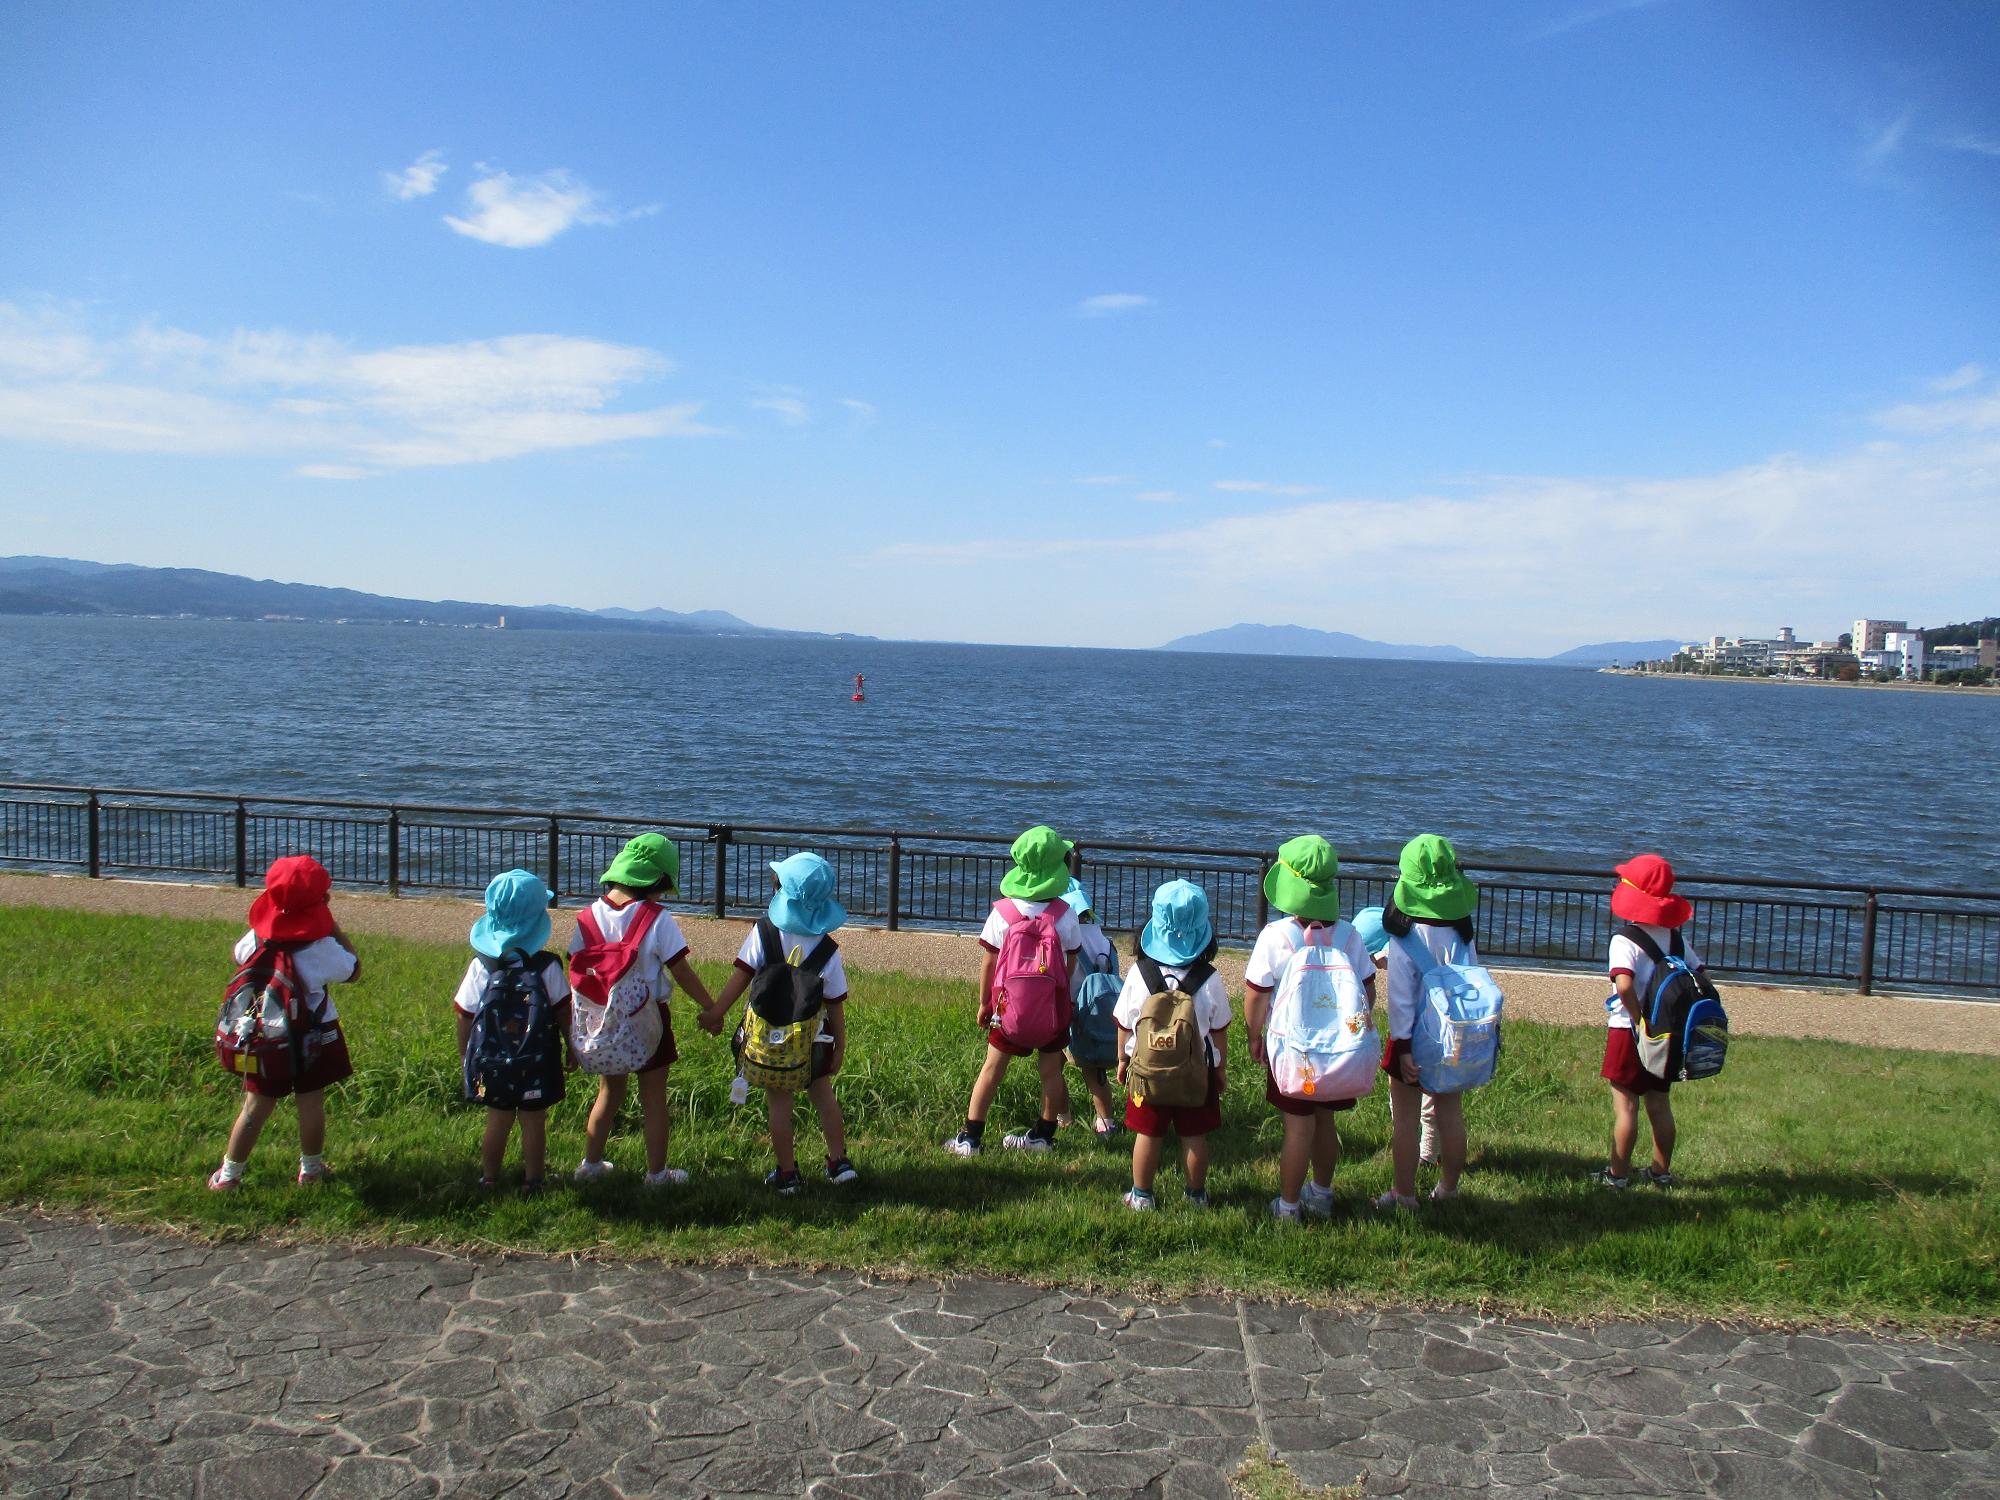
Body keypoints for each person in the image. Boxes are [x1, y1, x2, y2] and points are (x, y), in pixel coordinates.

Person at [699, 852, 859, 1193]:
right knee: (823, 1095)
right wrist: (840, 1046)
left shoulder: (764, 932)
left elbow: (740, 977)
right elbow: (836, 1004)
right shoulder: (827, 949)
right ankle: (838, 1162)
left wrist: (715, 1014)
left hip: (771, 1039)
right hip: (814, 1039)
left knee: (779, 1105)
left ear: (780, 891)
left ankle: (787, 1174)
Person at [569, 834, 717, 1187]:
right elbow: (680, 970)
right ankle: (656, 1174)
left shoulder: (587, 918)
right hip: (648, 1020)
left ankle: (590, 1164)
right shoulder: (657, 919)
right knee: (653, 1100)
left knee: (609, 1092)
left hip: (602, 1019)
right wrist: (710, 1007)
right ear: (658, 880)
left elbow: (576, 965)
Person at [1243, 834, 1376, 1221]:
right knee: (1325, 1121)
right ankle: (1321, 1193)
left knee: (1297, 1127)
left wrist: (1254, 1036)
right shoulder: (1350, 935)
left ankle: (1287, 1206)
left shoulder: (1276, 936)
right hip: (1340, 1053)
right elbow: (1367, 990)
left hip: (1292, 1052)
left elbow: (1256, 994)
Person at [209, 855, 360, 1190]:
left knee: (255, 1106)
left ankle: (229, 1175)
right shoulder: (320, 947)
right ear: (322, 903)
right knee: (311, 1101)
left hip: (267, 1034)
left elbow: (239, 955)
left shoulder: (256, 940)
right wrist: (334, 929)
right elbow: (353, 969)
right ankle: (311, 1170)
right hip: (315, 1036)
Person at [946, 825, 1083, 1156]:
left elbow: (989, 963)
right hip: (1051, 1010)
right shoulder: (1064, 915)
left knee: (992, 1069)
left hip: (1007, 1009)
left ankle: (971, 1137)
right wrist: (1056, 995)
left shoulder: (1003, 912)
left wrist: (984, 1004)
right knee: (1050, 1072)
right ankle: (1043, 1137)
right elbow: (1071, 961)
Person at [1375, 835, 1480, 1209]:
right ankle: (1448, 1189)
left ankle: (1404, 1194)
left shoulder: (1405, 937)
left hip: (1415, 1039)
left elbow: (1401, 999)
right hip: (1454, 1035)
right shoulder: (1461, 931)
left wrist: (1401, 1046)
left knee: (1405, 1121)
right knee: (1450, 1114)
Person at [1114, 880, 1230, 1210]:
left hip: (1148, 1071)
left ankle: (1141, 1195)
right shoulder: (1209, 978)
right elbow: (1219, 1028)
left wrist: (1123, 1061)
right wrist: (1219, 1067)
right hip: (1196, 1070)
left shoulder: (1140, 973)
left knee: (1148, 1135)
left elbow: (1125, 1023)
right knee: (1193, 1135)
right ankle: (1196, 1195)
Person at [455, 868, 571, 1192]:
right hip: (537, 1058)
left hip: (492, 1058)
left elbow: (464, 1012)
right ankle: (534, 1180)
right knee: (533, 1120)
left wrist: (466, 1053)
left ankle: (489, 1177)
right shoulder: (546, 966)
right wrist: (573, 1049)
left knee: (498, 1118)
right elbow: (564, 1012)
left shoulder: (482, 965)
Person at [1598, 853, 1701, 1188]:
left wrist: (1638, 1017)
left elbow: (1624, 984)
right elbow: (1703, 978)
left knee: (1626, 1107)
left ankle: (1618, 1175)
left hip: (1629, 1031)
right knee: (1659, 1103)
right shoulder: (1676, 939)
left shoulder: (1624, 939)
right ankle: (1660, 1171)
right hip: (1667, 1035)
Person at [1060, 878, 1123, 1138]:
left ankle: (1062, 1117)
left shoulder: (1066, 939)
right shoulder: (1105, 942)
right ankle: (1106, 1122)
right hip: (1098, 1015)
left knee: (1052, 1067)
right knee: (1095, 1072)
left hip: (1070, 1013)